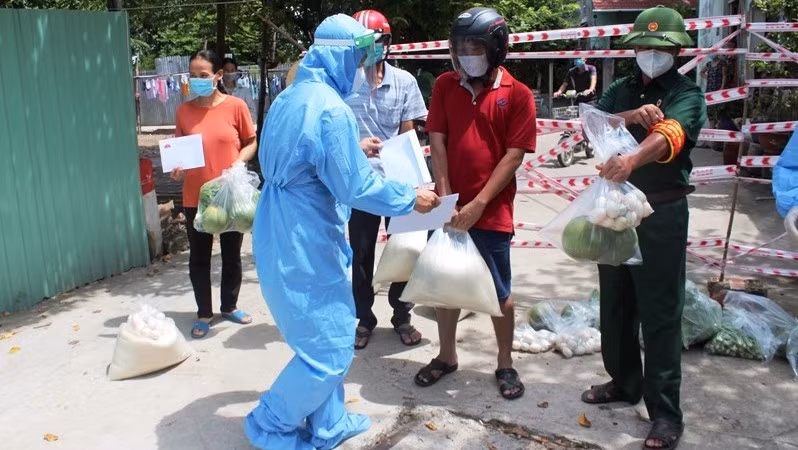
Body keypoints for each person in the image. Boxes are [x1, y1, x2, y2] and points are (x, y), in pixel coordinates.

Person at [245, 14, 440, 450]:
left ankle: (329, 423)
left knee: (316, 334)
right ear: (341, 57)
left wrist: (354, 150)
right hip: (306, 237)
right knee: (329, 349)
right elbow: (356, 186)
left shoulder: (290, 97)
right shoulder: (332, 110)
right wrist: (410, 198)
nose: (362, 70)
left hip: (281, 226)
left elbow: (305, 159)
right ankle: (269, 424)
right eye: (358, 60)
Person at [579, 7, 707, 450]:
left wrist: (631, 159)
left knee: (660, 313)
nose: (651, 54)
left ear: (675, 51)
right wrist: (630, 115)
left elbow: (671, 134)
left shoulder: (687, 92)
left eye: (660, 48)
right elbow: (590, 122)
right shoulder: (621, 87)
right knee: (614, 301)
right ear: (634, 48)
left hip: (662, 212)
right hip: (615, 210)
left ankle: (666, 413)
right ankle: (623, 382)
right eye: (644, 47)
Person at [415, 7, 537, 401]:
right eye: (461, 47)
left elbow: (514, 154)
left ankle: (505, 362)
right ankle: (446, 356)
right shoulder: (446, 86)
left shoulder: (516, 94)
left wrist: (479, 204)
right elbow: (437, 141)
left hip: (492, 211)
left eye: (475, 46)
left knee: (499, 291)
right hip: (448, 207)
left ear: (496, 48)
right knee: (444, 285)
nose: (467, 54)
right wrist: (448, 199)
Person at [345, 9, 429, 350]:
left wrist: (414, 181)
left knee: (407, 250)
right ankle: (364, 318)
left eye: (377, 42)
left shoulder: (405, 82)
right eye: (364, 43)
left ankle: (401, 314)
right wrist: (356, 147)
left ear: (388, 43)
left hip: (397, 181)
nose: (371, 49)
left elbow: (408, 135)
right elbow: (333, 133)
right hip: (361, 185)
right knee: (360, 254)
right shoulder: (343, 83)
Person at [170, 49, 258, 339]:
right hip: (196, 196)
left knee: (232, 255)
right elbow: (179, 151)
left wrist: (239, 160)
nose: (197, 81)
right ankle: (204, 313)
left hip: (229, 195)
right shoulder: (184, 111)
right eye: (193, 76)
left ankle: (229, 306)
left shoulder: (236, 106)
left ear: (219, 75)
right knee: (199, 258)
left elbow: (250, 141)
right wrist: (176, 168)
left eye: (203, 76)